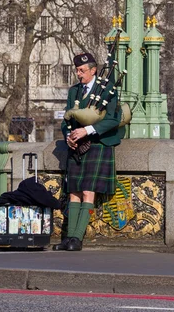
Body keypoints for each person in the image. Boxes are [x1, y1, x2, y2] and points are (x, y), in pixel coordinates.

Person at [53, 52, 122, 251]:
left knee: (87, 191)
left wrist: (87, 130)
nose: (78, 73)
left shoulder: (107, 89)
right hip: (78, 145)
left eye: (82, 70)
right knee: (73, 191)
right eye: (77, 70)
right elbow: (67, 119)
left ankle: (77, 238)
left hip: (98, 143)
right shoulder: (74, 91)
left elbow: (113, 119)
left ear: (93, 70)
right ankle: (68, 239)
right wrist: (69, 135)